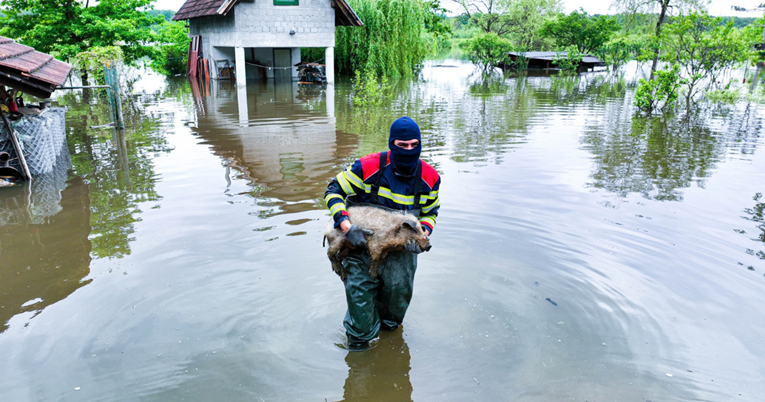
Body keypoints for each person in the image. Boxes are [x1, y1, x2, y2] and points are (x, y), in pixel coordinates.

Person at [324, 116, 441, 349]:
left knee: (395, 311)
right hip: (359, 244)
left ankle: (388, 354)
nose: (409, 150)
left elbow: (430, 212)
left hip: (401, 250)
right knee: (360, 309)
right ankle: (358, 357)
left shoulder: (430, 177)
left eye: (414, 145)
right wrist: (347, 227)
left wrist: (423, 232)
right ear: (391, 144)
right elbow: (333, 190)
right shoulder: (368, 167)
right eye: (402, 145)